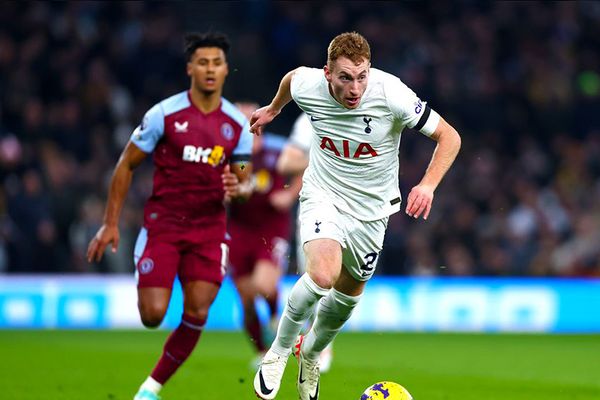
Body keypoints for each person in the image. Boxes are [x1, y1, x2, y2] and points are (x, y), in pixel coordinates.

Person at [251, 32, 461, 400]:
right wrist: (274, 108)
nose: (355, 88)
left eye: (362, 76)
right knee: (322, 275)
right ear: (327, 73)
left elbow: (450, 137)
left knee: (347, 298)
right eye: (346, 77)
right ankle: (278, 351)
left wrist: (428, 185)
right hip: (323, 194)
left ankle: (311, 354)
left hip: (372, 212)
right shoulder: (309, 85)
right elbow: (291, 80)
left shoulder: (392, 94)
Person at [86, 32, 253, 400]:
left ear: (226, 70)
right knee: (152, 315)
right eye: (203, 62)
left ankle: (150, 389)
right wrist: (110, 223)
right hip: (164, 226)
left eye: (217, 63)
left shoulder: (238, 125)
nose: (210, 69)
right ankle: (147, 263)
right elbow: (126, 164)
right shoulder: (163, 115)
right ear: (190, 68)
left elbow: (243, 178)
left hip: (209, 231)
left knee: (197, 311)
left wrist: (240, 187)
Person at [228, 102, 299, 364]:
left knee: (263, 285)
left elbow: (305, 167)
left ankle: (274, 315)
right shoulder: (229, 155)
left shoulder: (278, 149)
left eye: (250, 118)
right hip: (239, 229)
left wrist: (289, 195)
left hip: (272, 227)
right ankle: (262, 353)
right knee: (246, 299)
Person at [276, 112, 334, 374]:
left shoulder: (372, 108)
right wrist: (329, 157)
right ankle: (318, 346)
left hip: (358, 207)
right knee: (317, 277)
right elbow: (285, 163)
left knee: (345, 281)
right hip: (318, 207)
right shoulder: (311, 115)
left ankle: (319, 342)